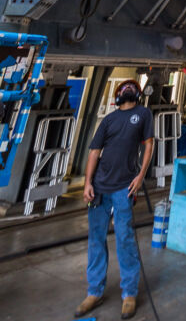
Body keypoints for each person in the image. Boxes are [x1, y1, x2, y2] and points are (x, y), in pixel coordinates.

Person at [75, 79, 154, 321]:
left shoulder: (143, 114)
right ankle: (94, 291)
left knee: (125, 239)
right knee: (96, 240)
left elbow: (149, 144)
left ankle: (129, 293)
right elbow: (94, 152)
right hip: (100, 187)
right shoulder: (108, 120)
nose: (126, 90)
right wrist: (88, 183)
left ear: (137, 95)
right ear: (117, 95)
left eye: (131, 88)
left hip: (124, 188)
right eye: (123, 88)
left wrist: (140, 176)